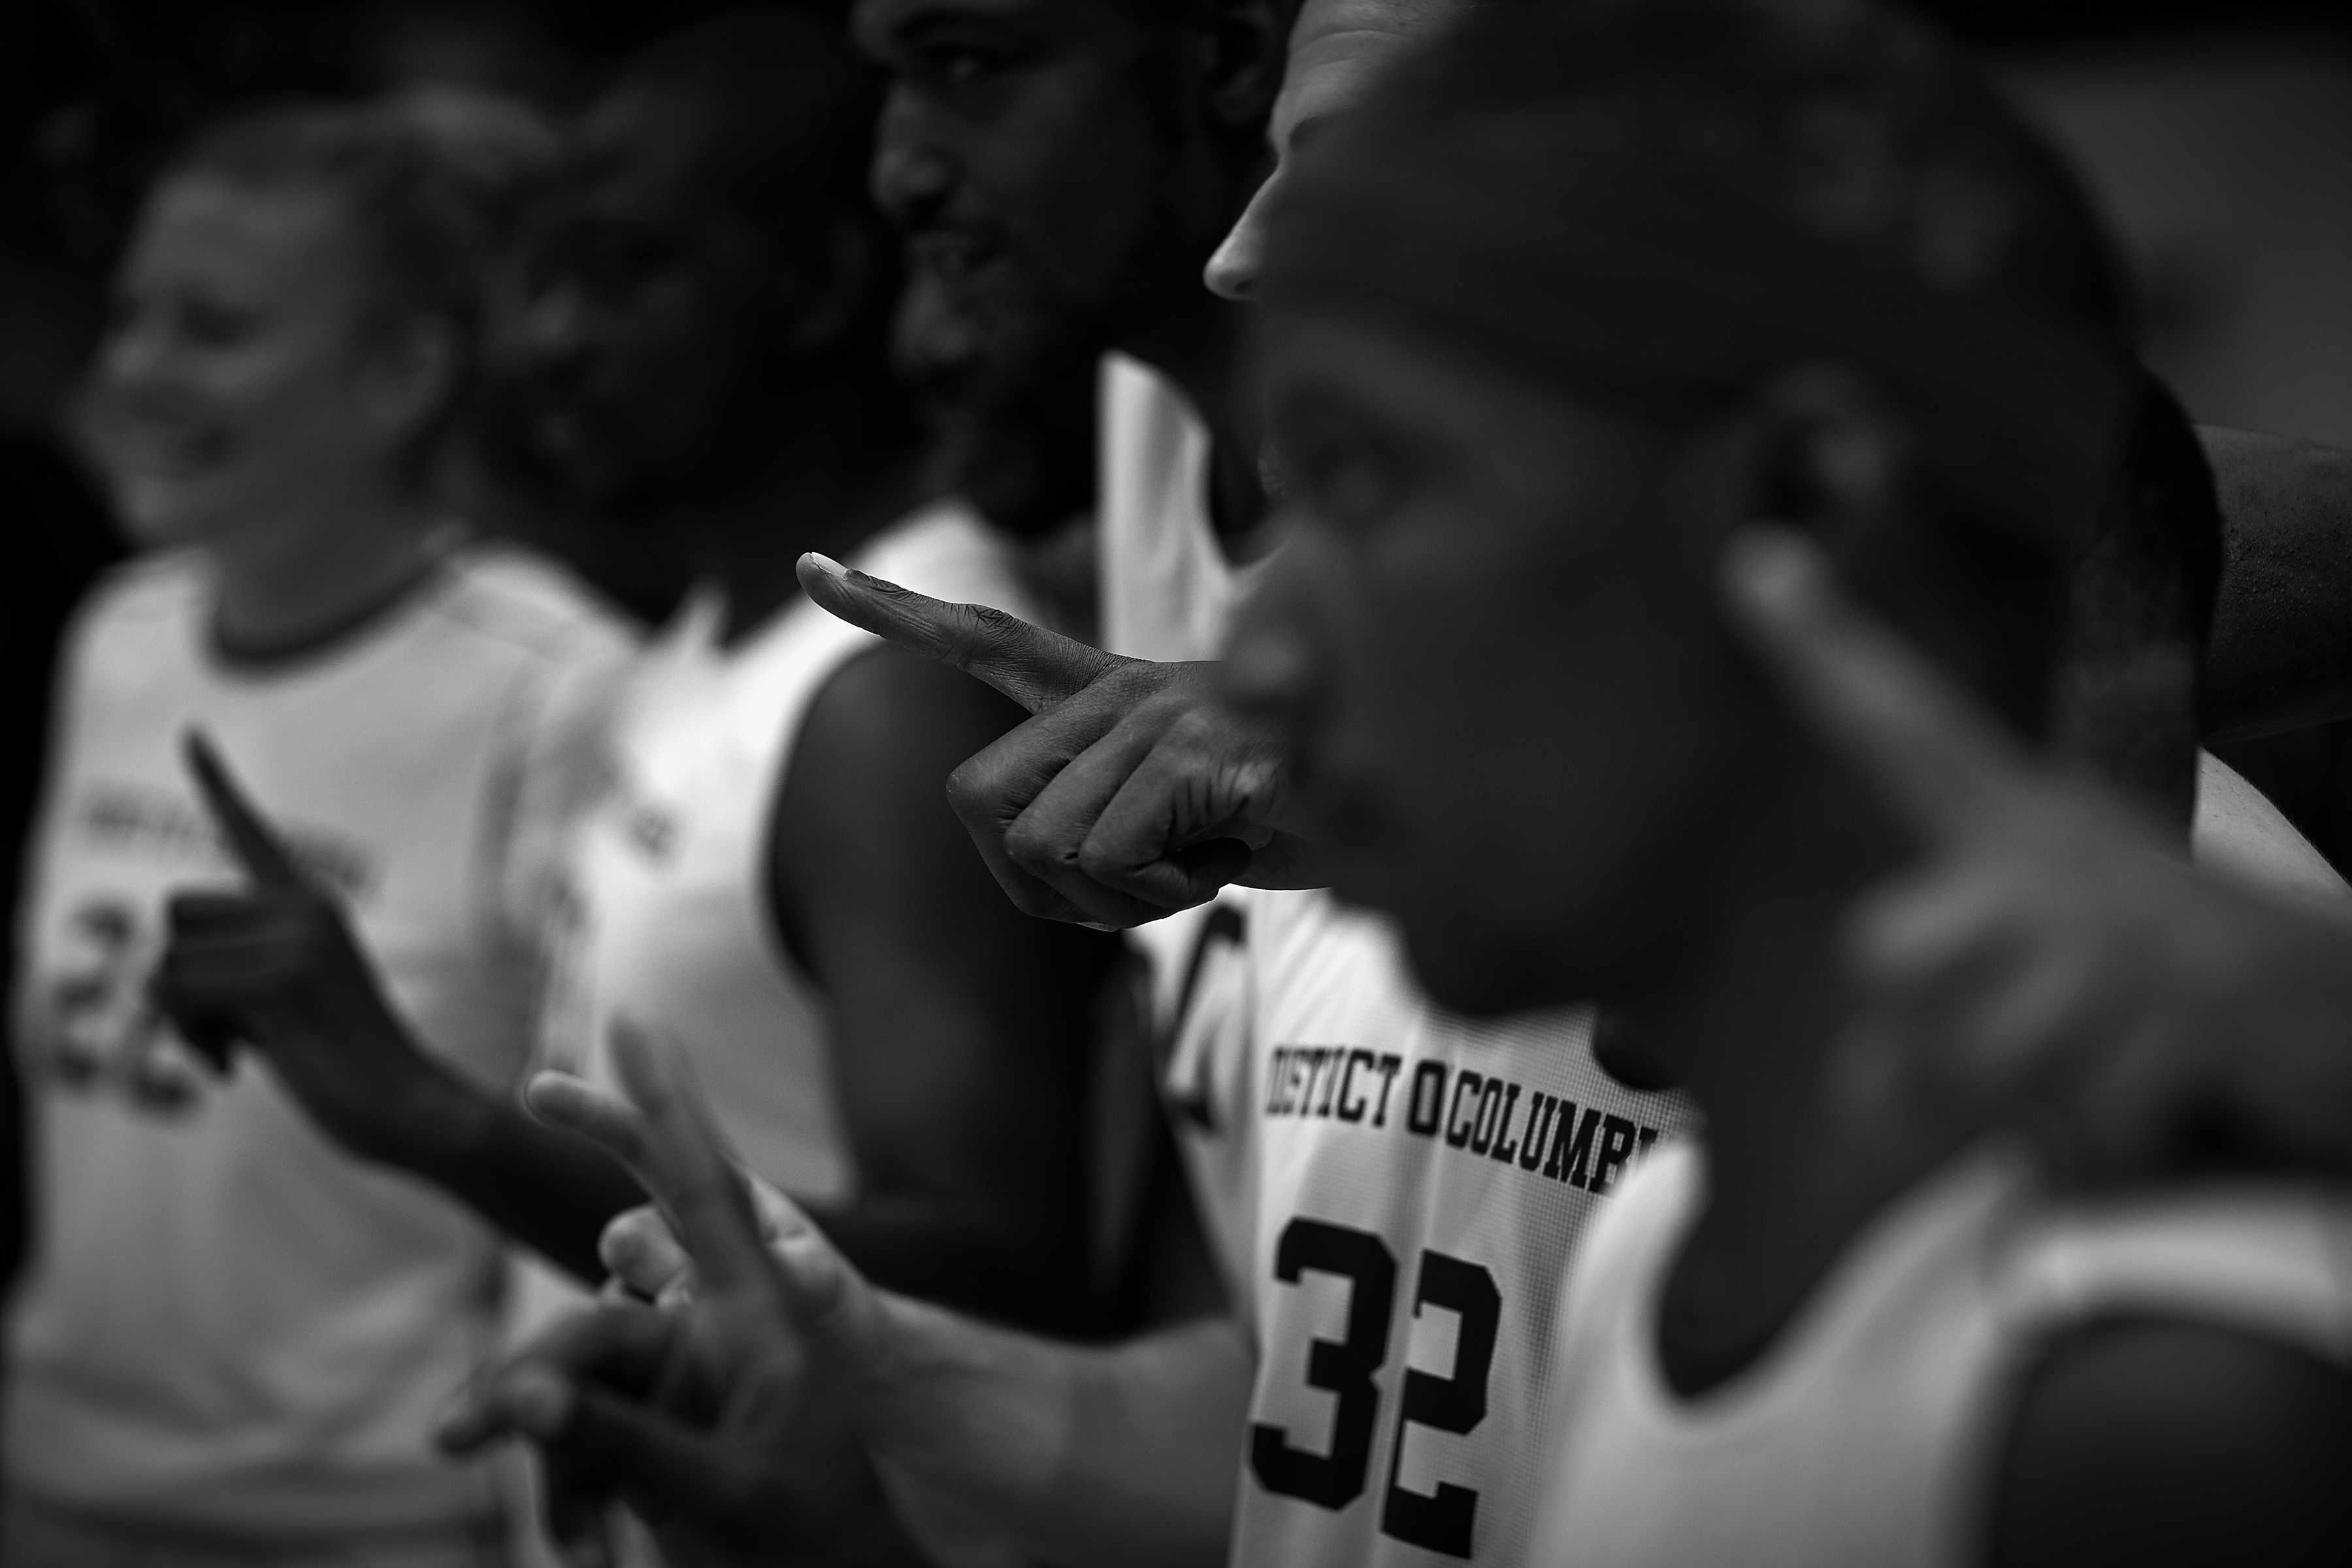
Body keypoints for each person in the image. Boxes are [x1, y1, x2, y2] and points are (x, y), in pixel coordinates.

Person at [1214, 2, 2352, 1562]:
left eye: (1368, 484)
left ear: (1800, 500)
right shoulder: (1661, 1247)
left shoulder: (2153, 1407)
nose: (1253, 658)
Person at [155, 9, 1121, 1339]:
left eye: (621, 273)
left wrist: (435, 1120)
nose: (550, 340)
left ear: (819, 288)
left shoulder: (890, 697)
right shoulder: (717, 632)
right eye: (544, 279)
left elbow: (996, 1274)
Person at [5, 99, 630, 1565]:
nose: (138, 369)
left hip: (382, 1511)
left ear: (404, 373)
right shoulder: (118, 633)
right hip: (55, 1475)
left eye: (213, 329)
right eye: (131, 316)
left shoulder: (555, 689)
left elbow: (612, 1161)